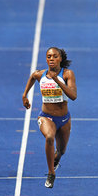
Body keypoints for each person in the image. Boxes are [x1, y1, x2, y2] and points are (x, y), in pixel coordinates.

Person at [22, 47, 77, 188]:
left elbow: (73, 96)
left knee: (62, 150)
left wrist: (57, 81)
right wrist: (25, 95)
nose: (51, 59)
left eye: (54, 56)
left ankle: (56, 159)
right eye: (48, 56)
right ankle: (51, 173)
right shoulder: (41, 75)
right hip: (46, 117)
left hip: (64, 119)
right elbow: (32, 76)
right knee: (49, 137)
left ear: (60, 59)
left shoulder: (67, 74)